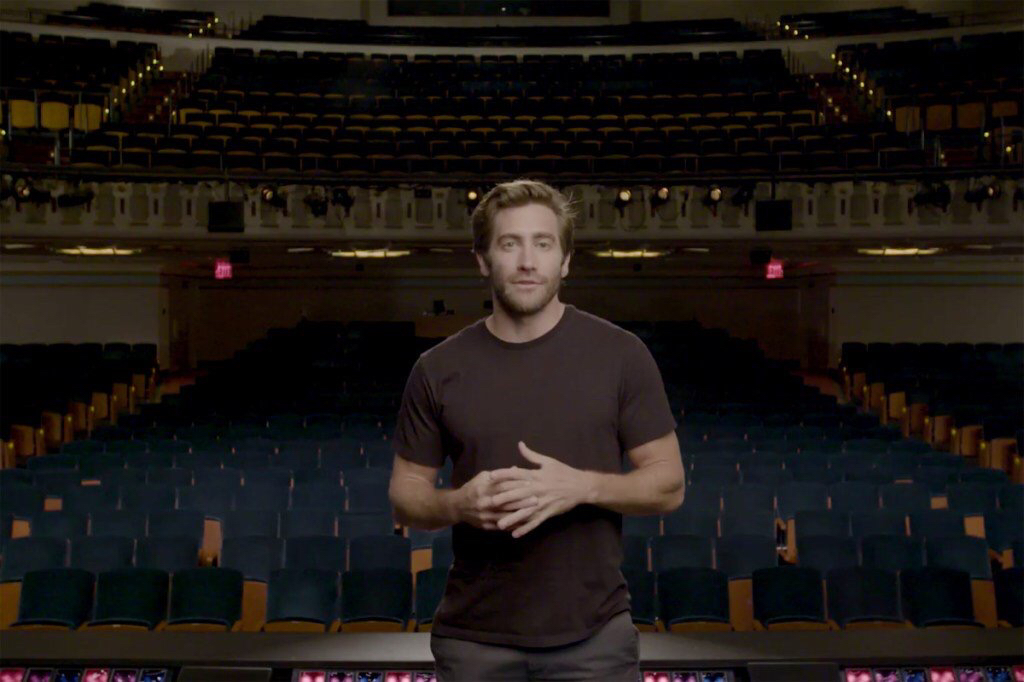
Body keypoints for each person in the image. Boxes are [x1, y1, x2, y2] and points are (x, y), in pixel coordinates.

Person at [389, 179, 685, 682]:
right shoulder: (436, 369)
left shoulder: (622, 356)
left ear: (565, 261)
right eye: (510, 244)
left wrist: (582, 487)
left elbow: (670, 484)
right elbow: (405, 495)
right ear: (483, 260)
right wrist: (459, 504)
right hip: (474, 644)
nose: (528, 261)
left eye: (543, 244)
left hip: (595, 642)